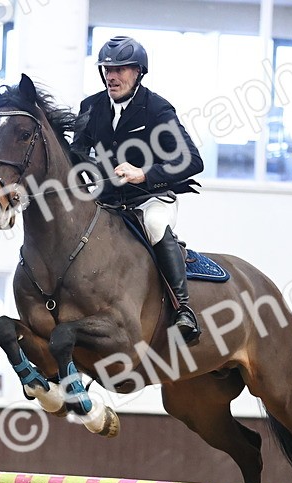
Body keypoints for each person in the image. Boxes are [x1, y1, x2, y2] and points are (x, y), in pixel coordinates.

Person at [72, 35, 205, 343]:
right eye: (107, 69)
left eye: (120, 69)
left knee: (157, 227)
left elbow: (192, 160)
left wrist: (144, 174)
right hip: (107, 202)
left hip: (150, 198)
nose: (112, 76)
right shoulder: (90, 107)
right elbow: (77, 155)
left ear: (138, 72)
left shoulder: (156, 109)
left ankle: (183, 309)